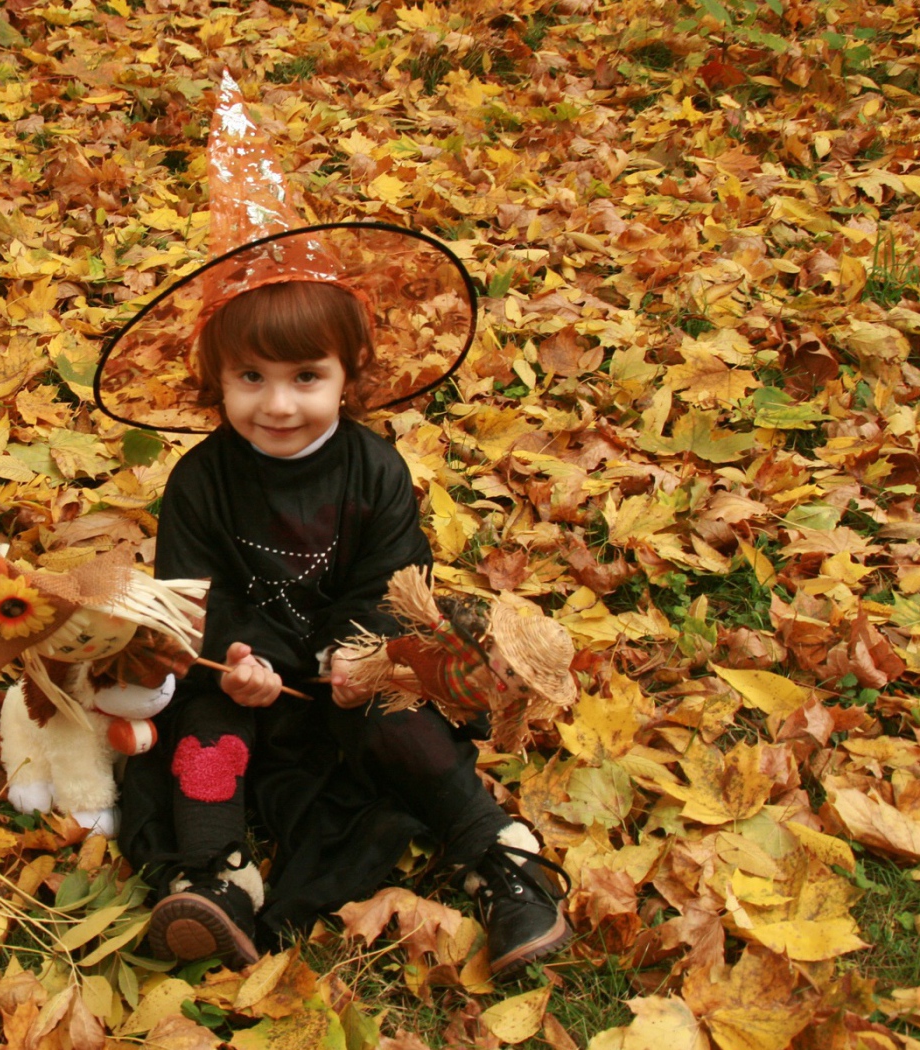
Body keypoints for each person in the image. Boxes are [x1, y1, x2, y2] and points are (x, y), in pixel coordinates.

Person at [94, 74, 571, 976]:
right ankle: (216, 873)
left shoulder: (373, 469)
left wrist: (356, 657)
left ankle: (501, 855)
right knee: (198, 729)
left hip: (348, 671)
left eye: (306, 377)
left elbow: (390, 579)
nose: (278, 406)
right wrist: (240, 659)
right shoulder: (200, 479)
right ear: (216, 379)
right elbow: (194, 592)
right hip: (245, 675)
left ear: (350, 374)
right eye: (250, 380)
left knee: (401, 720)